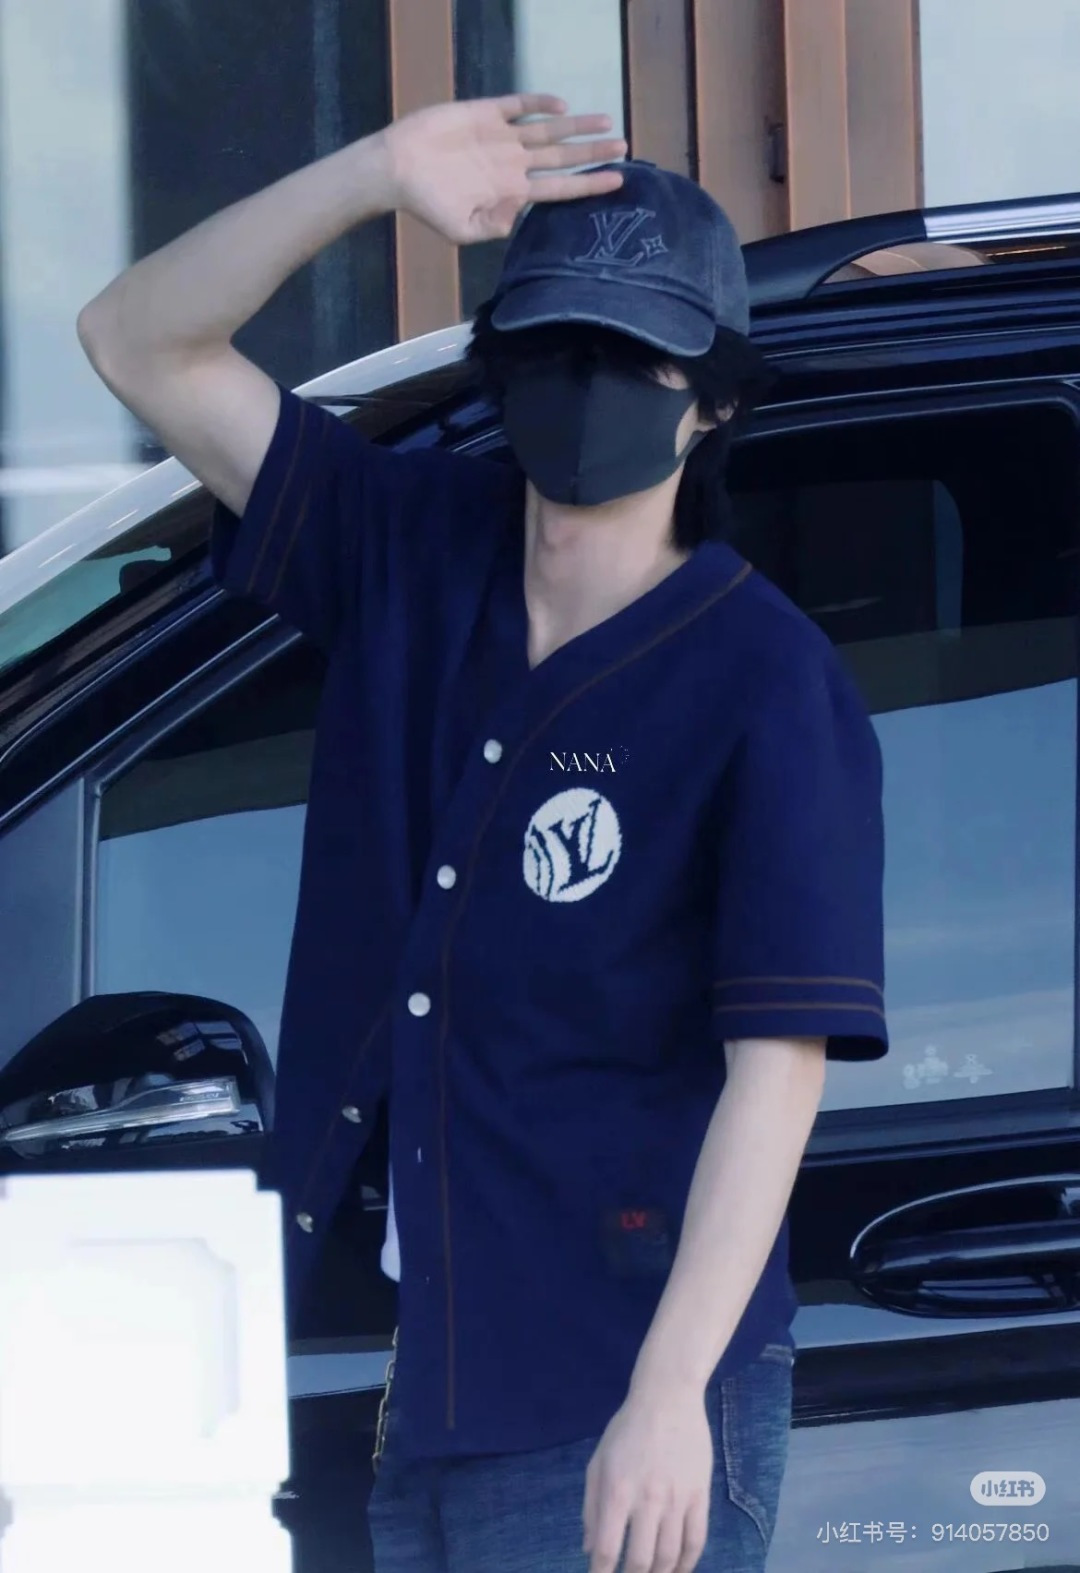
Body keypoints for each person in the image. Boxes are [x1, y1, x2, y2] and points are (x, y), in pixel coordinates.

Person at [78, 92, 888, 1573]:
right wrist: (376, 171)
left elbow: (778, 1072)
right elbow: (138, 340)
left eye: (638, 358)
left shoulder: (767, 683)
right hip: (430, 1384)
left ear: (713, 401)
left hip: (620, 1403)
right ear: (501, 358)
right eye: (556, 343)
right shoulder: (405, 548)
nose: (588, 386)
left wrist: (669, 1397)